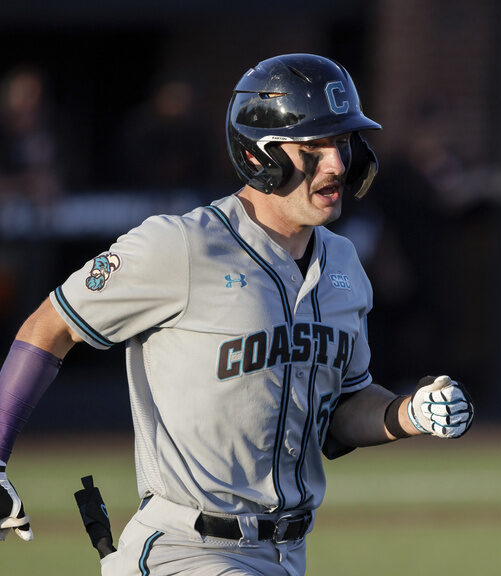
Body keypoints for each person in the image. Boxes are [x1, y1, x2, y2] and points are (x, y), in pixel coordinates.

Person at [0, 54, 474, 574]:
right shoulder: (182, 245)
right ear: (259, 156)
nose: (337, 163)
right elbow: (52, 324)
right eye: (313, 146)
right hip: (186, 549)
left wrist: (410, 413)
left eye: (341, 142)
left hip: (287, 553)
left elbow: (339, 412)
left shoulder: (343, 264)